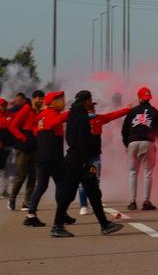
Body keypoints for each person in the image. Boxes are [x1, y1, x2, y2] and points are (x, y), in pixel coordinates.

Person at [54, 91, 125, 237]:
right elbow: (83, 141)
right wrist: (87, 162)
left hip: (75, 158)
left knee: (93, 193)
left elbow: (71, 139)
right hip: (79, 161)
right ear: (86, 101)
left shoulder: (73, 115)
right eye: (90, 100)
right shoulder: (82, 118)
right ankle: (57, 226)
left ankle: (104, 225)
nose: (91, 103)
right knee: (70, 194)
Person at [24, 91, 71, 230]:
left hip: (41, 157)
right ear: (53, 102)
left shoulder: (40, 116)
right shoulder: (51, 115)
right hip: (52, 157)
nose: (64, 102)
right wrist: (75, 110)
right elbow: (55, 122)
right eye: (62, 99)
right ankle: (61, 216)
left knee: (42, 186)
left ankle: (31, 215)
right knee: (62, 185)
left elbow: (35, 131)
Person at [78, 99, 130, 216]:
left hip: (95, 155)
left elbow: (112, 115)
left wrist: (127, 109)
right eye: (90, 108)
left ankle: (94, 204)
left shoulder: (99, 118)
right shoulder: (78, 120)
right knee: (82, 182)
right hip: (82, 155)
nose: (93, 109)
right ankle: (83, 205)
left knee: (95, 180)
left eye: (93, 108)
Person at [122, 87, 158, 211]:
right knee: (147, 173)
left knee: (133, 172)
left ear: (139, 98)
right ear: (150, 98)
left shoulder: (132, 112)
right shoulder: (154, 112)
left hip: (133, 142)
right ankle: (146, 201)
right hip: (148, 143)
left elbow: (124, 130)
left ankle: (132, 201)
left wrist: (127, 144)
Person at [8, 91, 43, 211]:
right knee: (21, 175)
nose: (41, 101)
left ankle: (26, 202)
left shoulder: (38, 112)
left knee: (33, 176)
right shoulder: (26, 109)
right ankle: (12, 199)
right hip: (22, 148)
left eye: (42, 99)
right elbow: (12, 126)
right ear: (33, 99)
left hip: (34, 148)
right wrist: (23, 138)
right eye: (39, 99)